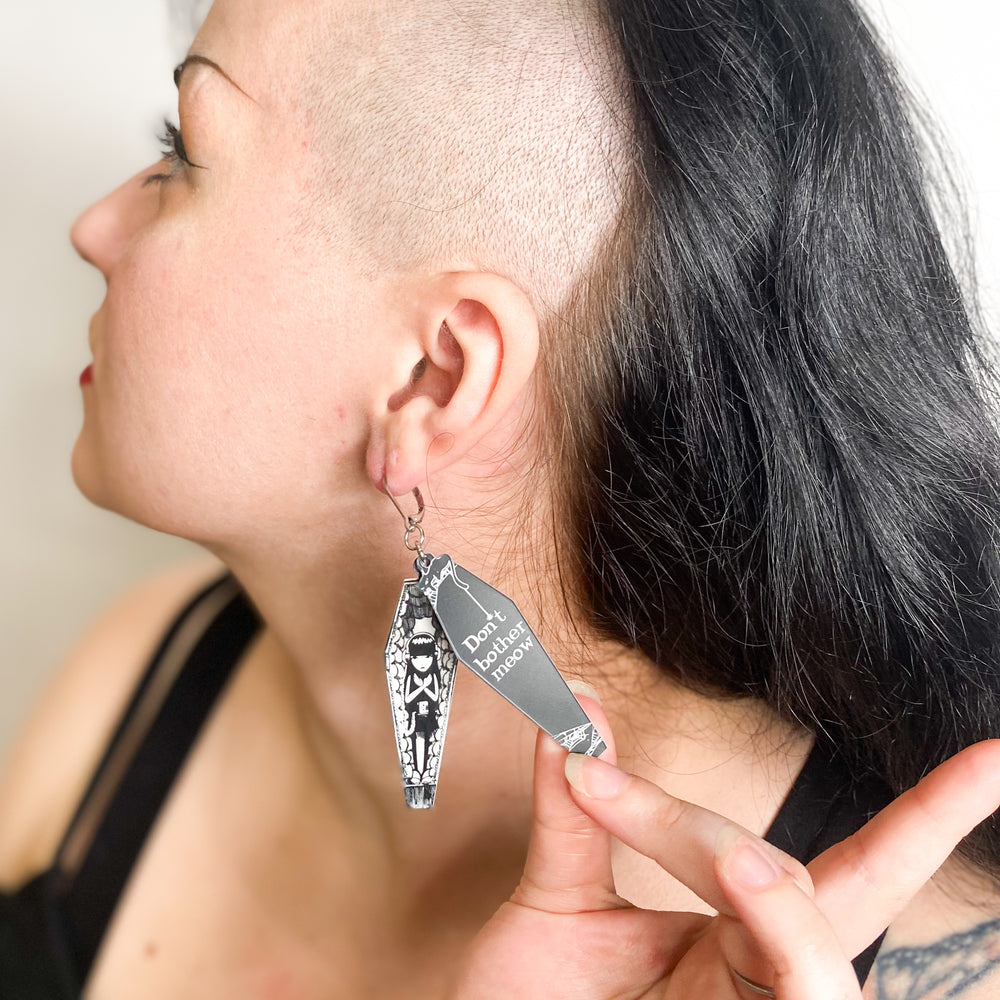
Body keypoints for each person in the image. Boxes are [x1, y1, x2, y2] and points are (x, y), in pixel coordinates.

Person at [2, 0, 1000, 996]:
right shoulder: (144, 672)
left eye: (181, 150)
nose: (94, 227)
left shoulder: (918, 960)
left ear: (432, 381)